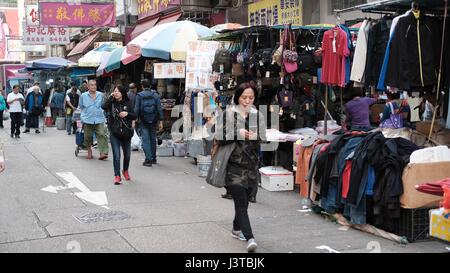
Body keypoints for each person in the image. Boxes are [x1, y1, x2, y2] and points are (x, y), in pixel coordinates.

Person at [215, 82, 266, 252]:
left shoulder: (258, 115)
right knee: (241, 203)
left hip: (251, 166)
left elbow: (263, 138)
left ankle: (236, 228)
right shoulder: (228, 114)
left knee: (244, 201)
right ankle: (250, 237)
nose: (247, 100)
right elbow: (218, 136)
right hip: (233, 166)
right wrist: (238, 133)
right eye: (244, 97)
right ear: (238, 97)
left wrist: (257, 136)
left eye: (251, 97)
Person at [102, 86, 137, 185]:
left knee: (127, 155)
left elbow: (134, 115)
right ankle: (117, 176)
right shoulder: (111, 103)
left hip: (126, 133)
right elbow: (103, 107)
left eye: (117, 91)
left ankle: (125, 170)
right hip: (115, 133)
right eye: (114, 91)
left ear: (122, 93)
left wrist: (127, 114)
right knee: (116, 156)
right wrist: (110, 97)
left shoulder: (128, 102)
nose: (116, 93)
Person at [134, 79, 163, 167]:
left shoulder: (139, 95)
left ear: (142, 86)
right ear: (150, 86)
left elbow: (136, 109)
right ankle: (153, 158)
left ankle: (148, 159)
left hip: (143, 120)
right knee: (153, 139)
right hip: (154, 120)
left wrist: (134, 119)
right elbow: (159, 108)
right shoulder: (155, 95)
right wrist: (160, 121)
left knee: (145, 139)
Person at [79, 79, 109, 160]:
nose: (94, 86)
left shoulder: (101, 95)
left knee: (101, 134)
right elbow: (81, 107)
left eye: (95, 85)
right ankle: (89, 150)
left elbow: (105, 105)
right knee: (88, 136)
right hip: (87, 119)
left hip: (99, 118)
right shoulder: (83, 96)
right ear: (88, 86)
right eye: (92, 85)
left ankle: (102, 152)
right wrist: (83, 117)